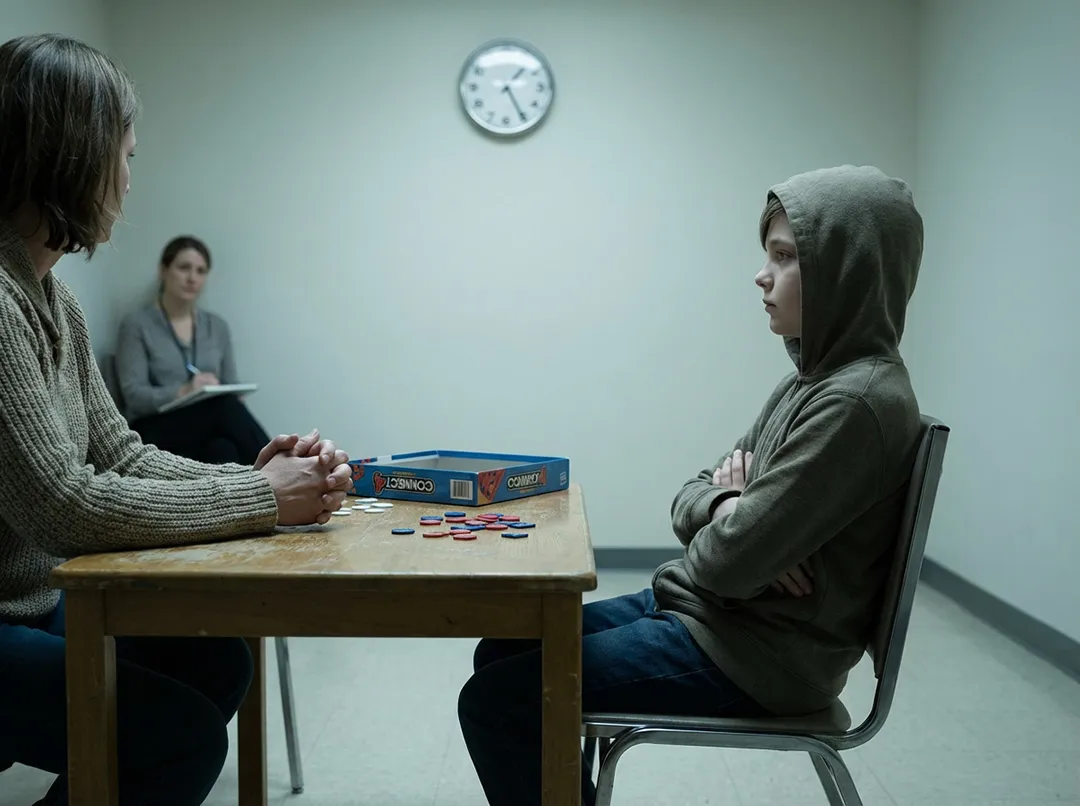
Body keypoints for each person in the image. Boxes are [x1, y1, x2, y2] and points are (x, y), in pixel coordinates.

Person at [456, 164, 925, 805]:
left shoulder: (857, 403)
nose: (762, 276)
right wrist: (730, 503)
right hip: (715, 617)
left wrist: (737, 530)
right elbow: (695, 495)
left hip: (757, 654)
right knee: (503, 648)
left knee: (497, 700)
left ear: (848, 271)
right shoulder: (807, 384)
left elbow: (728, 564)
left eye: (785, 258)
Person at [0, 33, 352, 806]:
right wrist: (264, 499)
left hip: (35, 603)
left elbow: (121, 453)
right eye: (125, 155)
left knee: (220, 662)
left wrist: (255, 478)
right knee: (177, 739)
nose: (129, 177)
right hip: (10, 615)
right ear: (72, 156)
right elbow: (61, 503)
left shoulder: (54, 298)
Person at [115, 234, 271, 465]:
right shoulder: (137, 325)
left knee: (222, 449)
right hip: (155, 428)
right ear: (163, 270)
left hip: (208, 427)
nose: (192, 278)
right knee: (224, 406)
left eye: (201, 271)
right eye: (184, 268)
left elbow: (232, 386)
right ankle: (287, 469)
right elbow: (134, 395)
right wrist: (185, 390)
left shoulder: (217, 326)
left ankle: (269, 495)